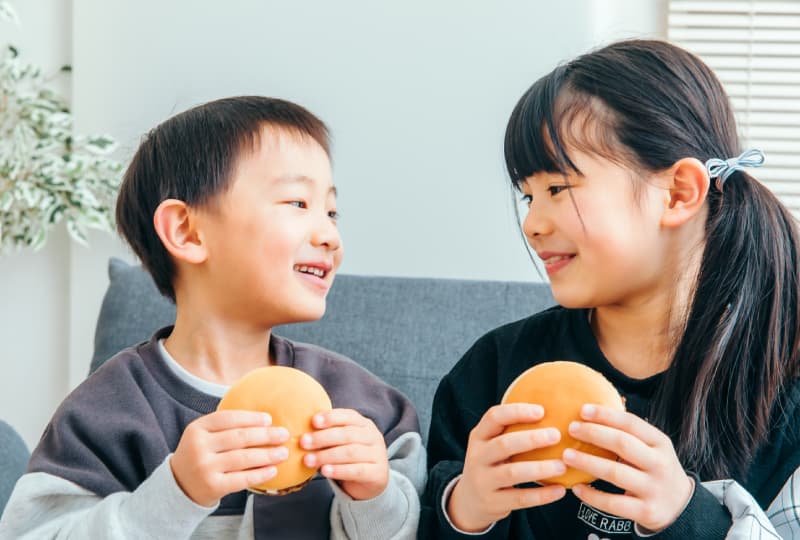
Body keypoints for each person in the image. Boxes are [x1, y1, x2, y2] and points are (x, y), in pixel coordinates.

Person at [420, 39, 800, 539]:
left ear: (679, 192)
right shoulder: (493, 372)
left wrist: (687, 518)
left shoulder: (785, 388)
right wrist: (465, 513)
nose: (532, 223)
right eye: (528, 195)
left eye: (557, 188)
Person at [0, 96, 425, 539]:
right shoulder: (106, 413)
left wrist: (374, 498)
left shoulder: (367, 408)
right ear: (187, 231)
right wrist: (175, 493)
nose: (330, 236)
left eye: (332, 212)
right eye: (298, 203)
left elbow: (421, 529)